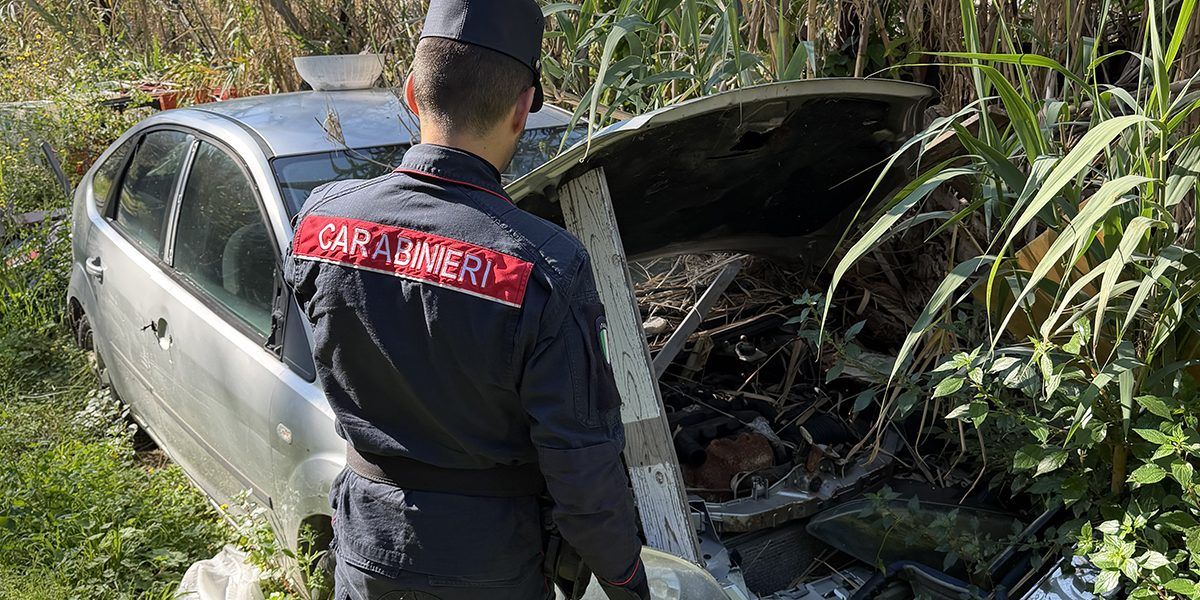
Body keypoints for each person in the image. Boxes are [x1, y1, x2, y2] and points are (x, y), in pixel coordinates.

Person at [283, 1, 649, 598]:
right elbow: (581, 468)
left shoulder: (321, 223)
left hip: (368, 546)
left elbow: (317, 351)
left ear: (410, 92)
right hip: (491, 564)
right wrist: (627, 579)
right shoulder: (547, 266)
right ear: (523, 109)